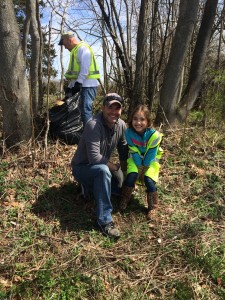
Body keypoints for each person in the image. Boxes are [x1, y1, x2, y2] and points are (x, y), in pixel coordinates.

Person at [71, 93, 128, 238]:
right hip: (83, 167)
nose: (113, 112)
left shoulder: (121, 125)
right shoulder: (93, 125)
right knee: (103, 170)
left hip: (100, 167)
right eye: (110, 108)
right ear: (103, 108)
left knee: (120, 187)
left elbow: (123, 149)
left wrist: (125, 171)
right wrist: (114, 167)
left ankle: (88, 189)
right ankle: (104, 221)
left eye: (117, 109)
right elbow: (95, 158)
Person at [120, 104, 163, 220]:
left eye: (142, 119)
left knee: (148, 180)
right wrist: (138, 167)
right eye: (135, 119)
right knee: (132, 175)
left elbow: (151, 153)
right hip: (135, 159)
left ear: (148, 121)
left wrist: (144, 169)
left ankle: (153, 207)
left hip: (150, 161)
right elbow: (133, 150)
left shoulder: (155, 135)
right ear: (131, 120)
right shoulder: (128, 132)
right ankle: (125, 198)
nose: (138, 123)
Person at [58, 31, 100, 125]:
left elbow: (85, 68)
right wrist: (70, 86)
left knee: (85, 110)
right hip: (82, 85)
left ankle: (90, 135)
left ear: (69, 40)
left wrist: (78, 83)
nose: (65, 47)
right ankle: (82, 134)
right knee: (79, 111)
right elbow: (76, 74)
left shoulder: (83, 49)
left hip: (88, 85)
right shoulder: (75, 51)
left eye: (64, 44)